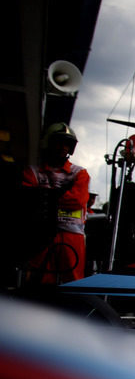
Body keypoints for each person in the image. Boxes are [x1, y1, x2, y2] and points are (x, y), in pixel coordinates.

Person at [22, 122, 91, 284]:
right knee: (39, 281)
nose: (63, 147)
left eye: (67, 144)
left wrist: (44, 197)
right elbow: (27, 199)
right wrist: (56, 197)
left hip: (72, 234)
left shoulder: (80, 173)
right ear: (49, 144)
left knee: (73, 282)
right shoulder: (32, 171)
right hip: (40, 234)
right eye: (59, 142)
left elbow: (77, 200)